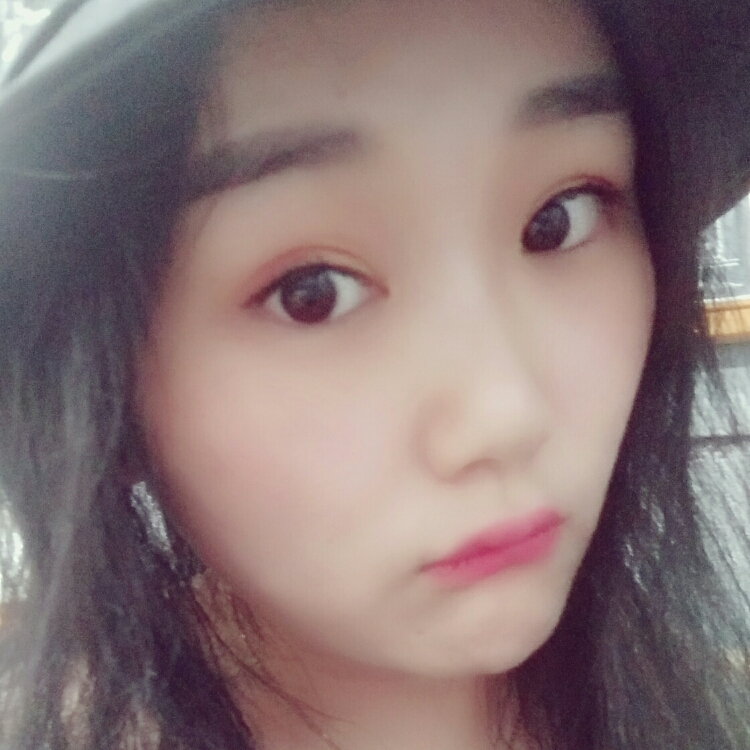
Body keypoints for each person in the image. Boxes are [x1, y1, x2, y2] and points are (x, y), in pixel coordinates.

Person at [0, 0, 749, 748]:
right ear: (101, 403)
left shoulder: (680, 692)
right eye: (313, 294)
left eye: (560, 219)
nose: (506, 414)